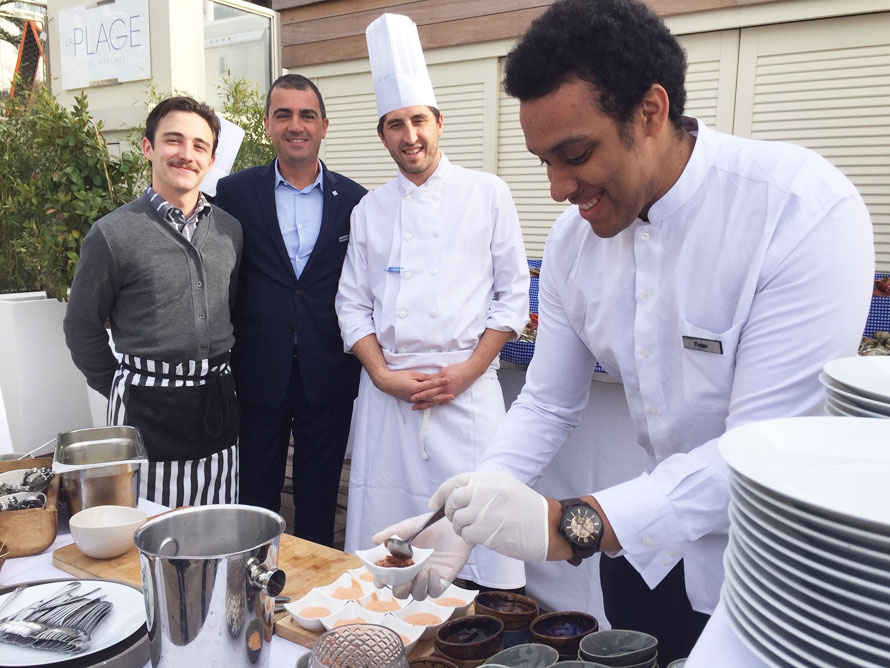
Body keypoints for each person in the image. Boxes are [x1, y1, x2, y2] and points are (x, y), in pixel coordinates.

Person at [376, 0, 875, 662]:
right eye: (543, 161)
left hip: (765, 580)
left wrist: (569, 526)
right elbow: (551, 400)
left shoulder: (800, 211)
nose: (556, 188)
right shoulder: (571, 244)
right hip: (641, 559)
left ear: (650, 112)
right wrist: (477, 504)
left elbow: (759, 456)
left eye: (574, 153)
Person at [336, 13, 530, 592]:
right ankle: (388, 635)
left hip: (468, 393)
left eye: (418, 120)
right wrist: (382, 374)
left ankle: (483, 634)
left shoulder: (488, 193)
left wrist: (468, 371)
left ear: (439, 123)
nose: (409, 135)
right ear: (383, 134)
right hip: (389, 400)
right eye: (395, 124)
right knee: (384, 545)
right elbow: (352, 307)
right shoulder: (369, 210)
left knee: (484, 540)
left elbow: (512, 295)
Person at [64, 96, 242, 507]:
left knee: (216, 526)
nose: (186, 154)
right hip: (144, 408)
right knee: (146, 535)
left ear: (211, 160)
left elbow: (228, 308)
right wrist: (117, 384)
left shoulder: (230, 232)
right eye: (173, 140)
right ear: (149, 147)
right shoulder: (113, 234)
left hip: (216, 402)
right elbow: (81, 326)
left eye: (199, 146)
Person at [214, 75, 366, 547]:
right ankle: (255, 581)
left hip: (329, 369)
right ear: (267, 125)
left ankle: (317, 588)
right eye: (283, 114)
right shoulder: (233, 193)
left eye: (306, 115)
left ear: (324, 126)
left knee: (320, 496)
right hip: (257, 367)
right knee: (256, 492)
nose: (295, 125)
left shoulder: (357, 201)